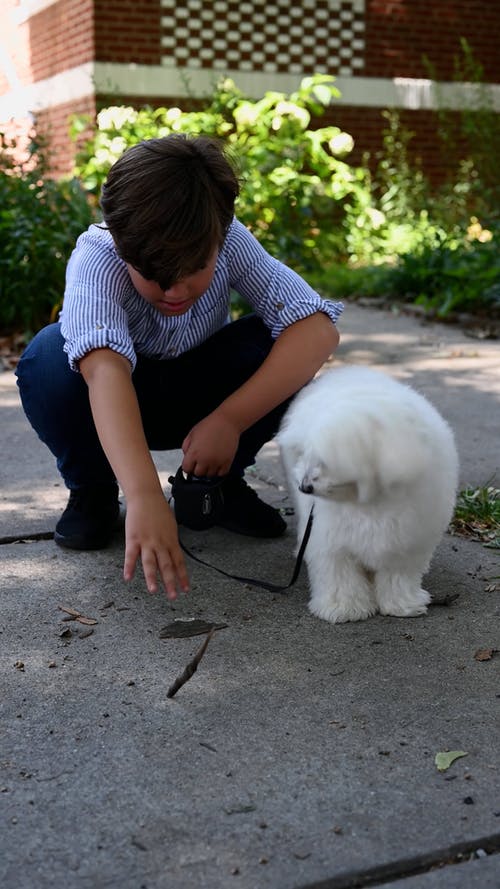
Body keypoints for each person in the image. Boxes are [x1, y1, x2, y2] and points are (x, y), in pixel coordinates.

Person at [16, 134, 343, 601]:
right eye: (154, 274)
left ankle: (218, 484)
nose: (174, 291)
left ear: (220, 234)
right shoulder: (98, 255)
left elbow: (317, 330)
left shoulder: (227, 236)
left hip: (202, 399)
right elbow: (105, 372)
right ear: (122, 242)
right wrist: (145, 495)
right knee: (48, 357)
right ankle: (93, 490)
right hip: (119, 402)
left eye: (195, 268)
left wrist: (230, 420)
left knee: (281, 338)